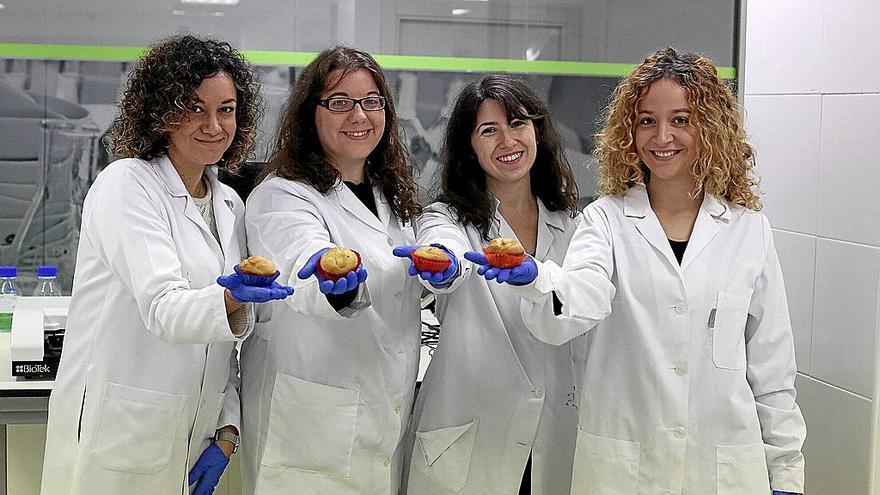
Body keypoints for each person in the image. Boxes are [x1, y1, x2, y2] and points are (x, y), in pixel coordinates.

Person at [467, 48, 806, 495]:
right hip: (625, 468)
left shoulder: (748, 231)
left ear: (711, 127)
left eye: (681, 119)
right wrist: (538, 278)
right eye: (647, 120)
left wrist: (784, 470)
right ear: (629, 130)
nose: (662, 136)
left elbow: (772, 368)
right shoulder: (604, 221)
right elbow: (579, 299)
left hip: (724, 467)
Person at [40, 35, 292, 495]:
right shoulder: (127, 184)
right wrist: (233, 296)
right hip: (116, 433)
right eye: (195, 108)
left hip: (194, 439)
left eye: (227, 109)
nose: (214, 125)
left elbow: (224, 343)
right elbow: (165, 307)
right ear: (162, 113)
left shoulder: (229, 204)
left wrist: (228, 433)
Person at [240, 45, 423, 494]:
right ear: (311, 113)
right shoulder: (282, 195)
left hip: (382, 416)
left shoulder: (388, 194)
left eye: (371, 102)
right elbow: (299, 264)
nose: (359, 115)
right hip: (309, 426)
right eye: (340, 103)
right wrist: (331, 281)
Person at [393, 74, 582, 494]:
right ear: (469, 148)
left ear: (538, 132)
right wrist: (441, 266)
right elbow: (445, 251)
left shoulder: (572, 226)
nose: (507, 141)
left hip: (551, 438)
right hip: (468, 439)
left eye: (517, 124)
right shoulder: (446, 219)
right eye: (488, 130)